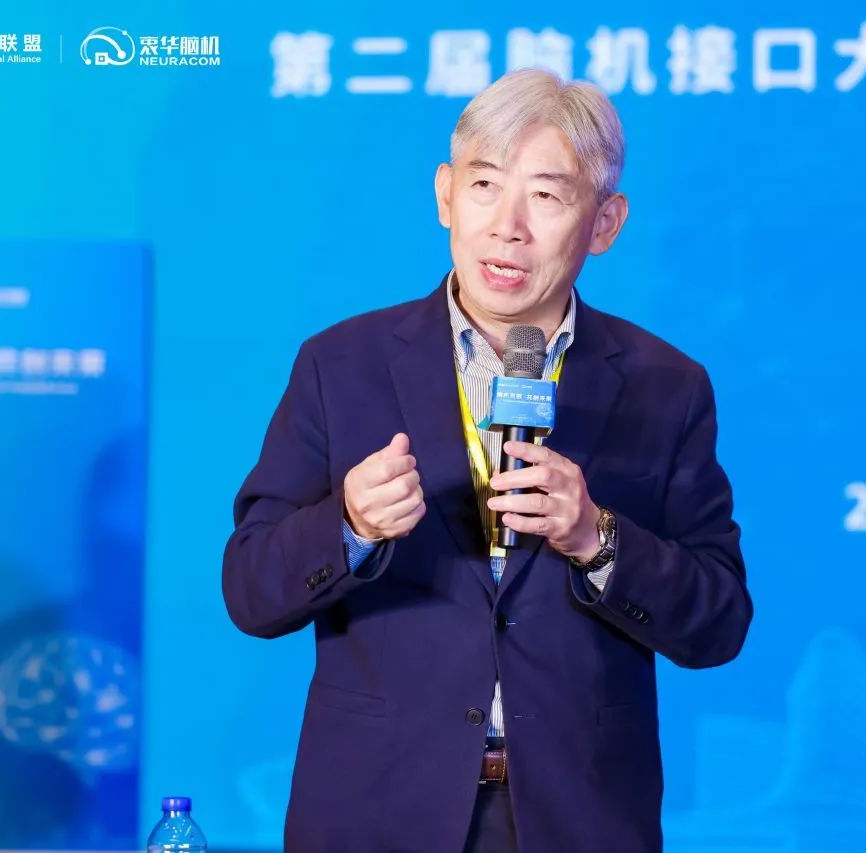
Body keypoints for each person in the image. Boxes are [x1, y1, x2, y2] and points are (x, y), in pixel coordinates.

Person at [221, 68, 752, 853]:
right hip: (377, 814)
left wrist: (598, 538)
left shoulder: (665, 385)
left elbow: (719, 622)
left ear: (604, 223)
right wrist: (351, 524)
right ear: (445, 195)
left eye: (546, 196)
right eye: (484, 185)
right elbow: (250, 590)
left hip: (577, 819)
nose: (508, 227)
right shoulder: (342, 365)